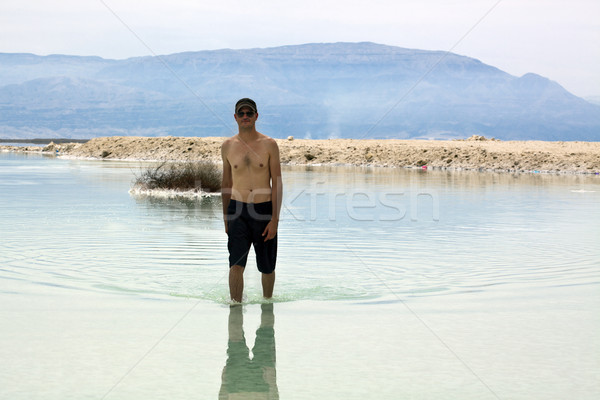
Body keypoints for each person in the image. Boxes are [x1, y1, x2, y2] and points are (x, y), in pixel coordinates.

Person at [221, 98, 282, 303]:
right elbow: (226, 183)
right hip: (237, 211)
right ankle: (235, 308)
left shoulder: (269, 145)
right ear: (235, 117)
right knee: (236, 264)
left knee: (267, 265)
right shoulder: (228, 146)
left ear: (256, 116)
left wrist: (275, 219)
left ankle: (267, 305)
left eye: (249, 113)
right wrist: (225, 216)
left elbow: (277, 183)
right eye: (241, 113)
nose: (245, 117)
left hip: (264, 210)